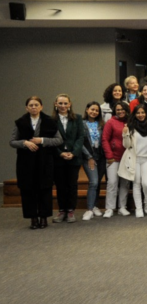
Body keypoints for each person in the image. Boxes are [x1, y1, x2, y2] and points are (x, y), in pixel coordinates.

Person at [11, 96, 63, 229]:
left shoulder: (50, 121)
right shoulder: (20, 122)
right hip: (25, 163)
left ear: (41, 107)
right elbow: (12, 141)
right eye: (31, 105)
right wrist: (25, 143)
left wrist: (42, 141)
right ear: (26, 108)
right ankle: (33, 218)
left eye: (36, 105)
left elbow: (59, 140)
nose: (33, 107)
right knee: (28, 190)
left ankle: (44, 217)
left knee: (45, 189)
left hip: (45, 161)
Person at [51, 94, 85, 224]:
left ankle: (71, 210)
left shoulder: (77, 118)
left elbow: (80, 137)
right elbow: (50, 139)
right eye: (60, 103)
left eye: (65, 103)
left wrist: (74, 152)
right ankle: (62, 210)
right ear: (55, 104)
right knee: (60, 185)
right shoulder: (51, 120)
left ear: (70, 104)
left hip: (73, 157)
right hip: (58, 157)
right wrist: (60, 153)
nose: (63, 106)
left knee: (72, 185)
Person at [118, 105, 147, 218]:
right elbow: (126, 145)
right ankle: (139, 208)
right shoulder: (131, 127)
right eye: (138, 113)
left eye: (143, 112)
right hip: (134, 159)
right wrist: (125, 134)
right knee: (136, 184)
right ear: (135, 114)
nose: (140, 115)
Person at [102, 102, 131, 218]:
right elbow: (104, 139)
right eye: (118, 110)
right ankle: (109, 208)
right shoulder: (111, 122)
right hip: (113, 158)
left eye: (122, 109)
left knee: (125, 183)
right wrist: (109, 155)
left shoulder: (131, 122)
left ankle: (122, 207)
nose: (120, 111)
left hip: (127, 158)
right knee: (112, 182)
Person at [81, 102, 106, 220]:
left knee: (98, 182)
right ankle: (89, 209)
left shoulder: (101, 124)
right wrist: (89, 157)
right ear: (87, 110)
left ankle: (95, 206)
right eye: (92, 109)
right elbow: (79, 142)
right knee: (94, 182)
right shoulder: (81, 124)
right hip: (88, 156)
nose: (94, 112)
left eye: (96, 110)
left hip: (101, 156)